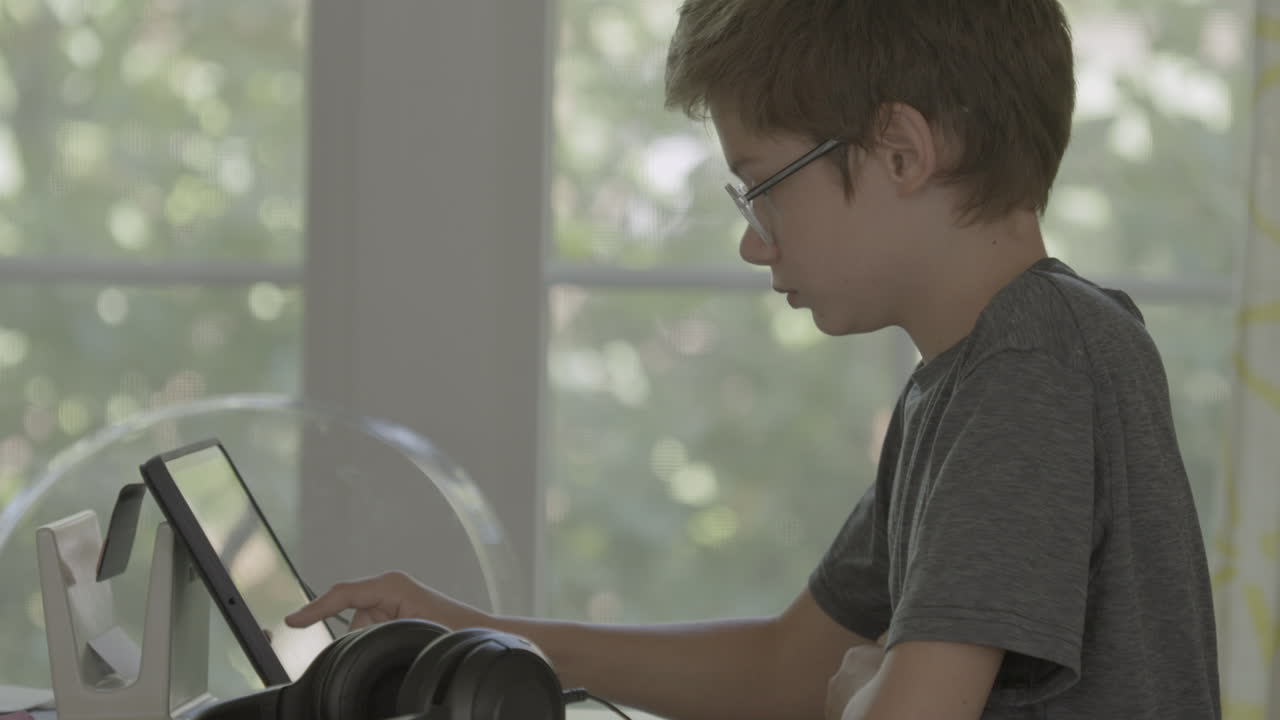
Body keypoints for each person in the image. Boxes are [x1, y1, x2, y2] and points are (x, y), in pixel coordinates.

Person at [286, 1, 1222, 718]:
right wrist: (477, 633)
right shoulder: (974, 377)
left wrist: (866, 684)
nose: (754, 244)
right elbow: (791, 662)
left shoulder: (1030, 365)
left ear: (899, 152)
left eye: (762, 190)